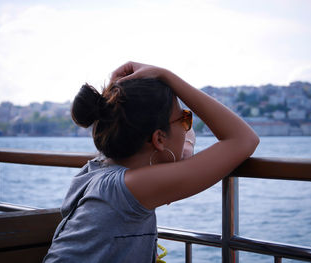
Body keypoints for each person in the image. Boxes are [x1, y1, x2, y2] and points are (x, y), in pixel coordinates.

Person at [43, 62, 259, 263]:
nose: (188, 127)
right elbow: (243, 139)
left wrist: (182, 127)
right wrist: (167, 75)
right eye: (184, 120)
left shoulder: (97, 170)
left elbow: (181, 152)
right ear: (158, 139)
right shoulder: (129, 187)